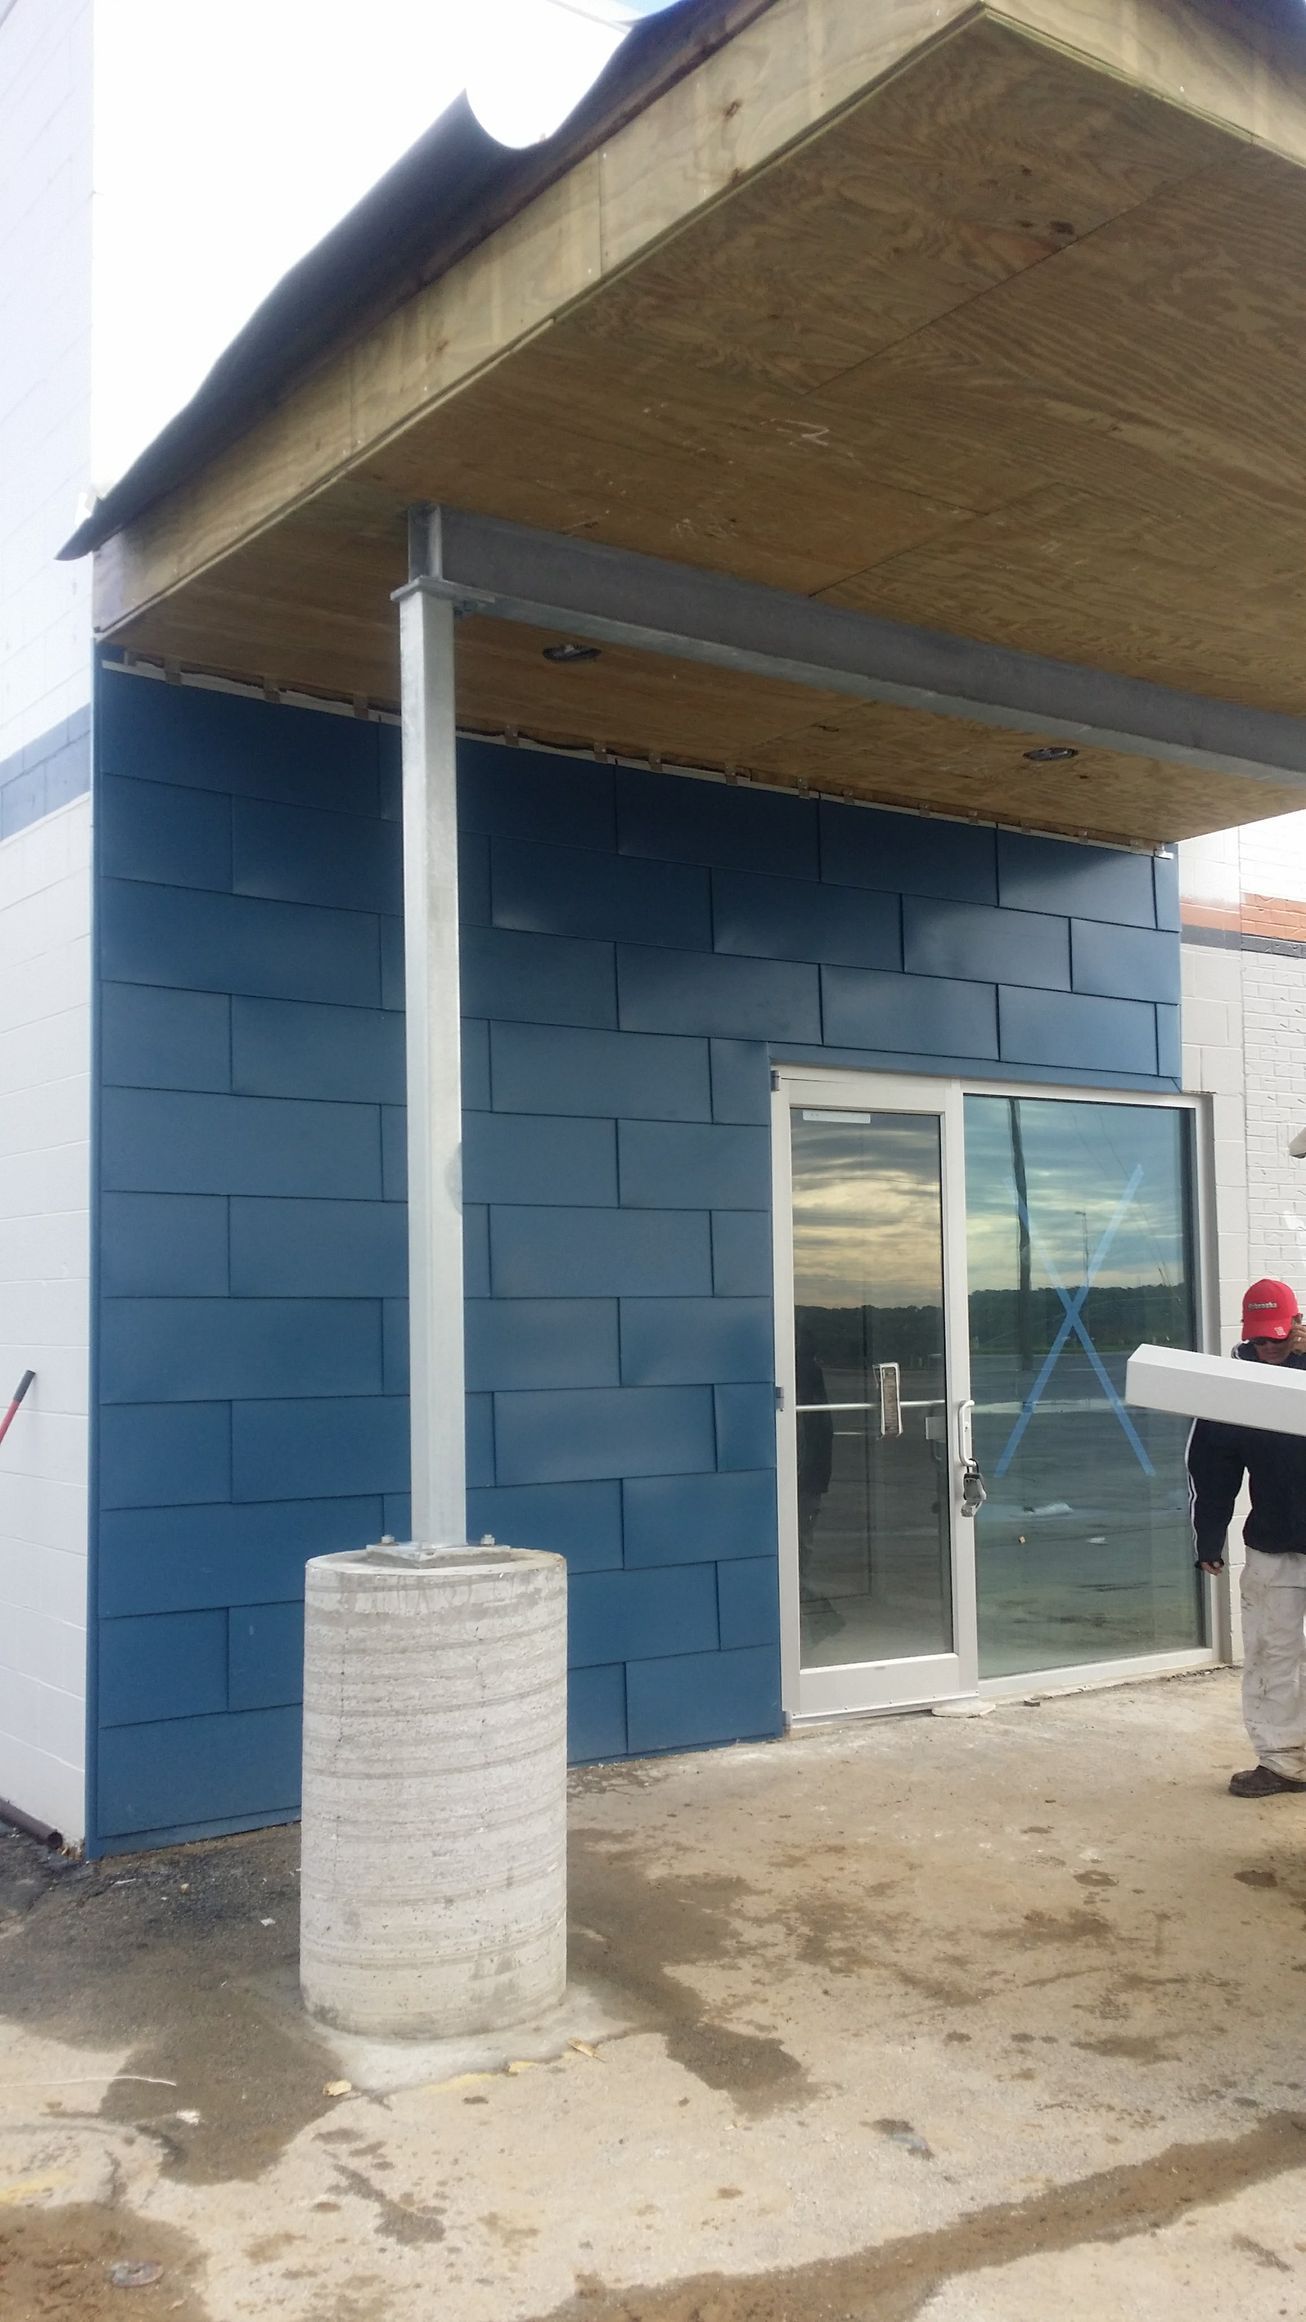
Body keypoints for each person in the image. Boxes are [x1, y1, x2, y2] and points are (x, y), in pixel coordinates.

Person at [1187, 1278, 1306, 1797]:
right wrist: (1209, 1537)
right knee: (1270, 1653)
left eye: (1280, 1337)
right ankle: (1282, 1762)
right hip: (1274, 1543)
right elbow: (1211, 1466)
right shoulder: (1233, 1382)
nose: (1270, 1348)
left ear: (1298, 1326)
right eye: (1261, 1339)